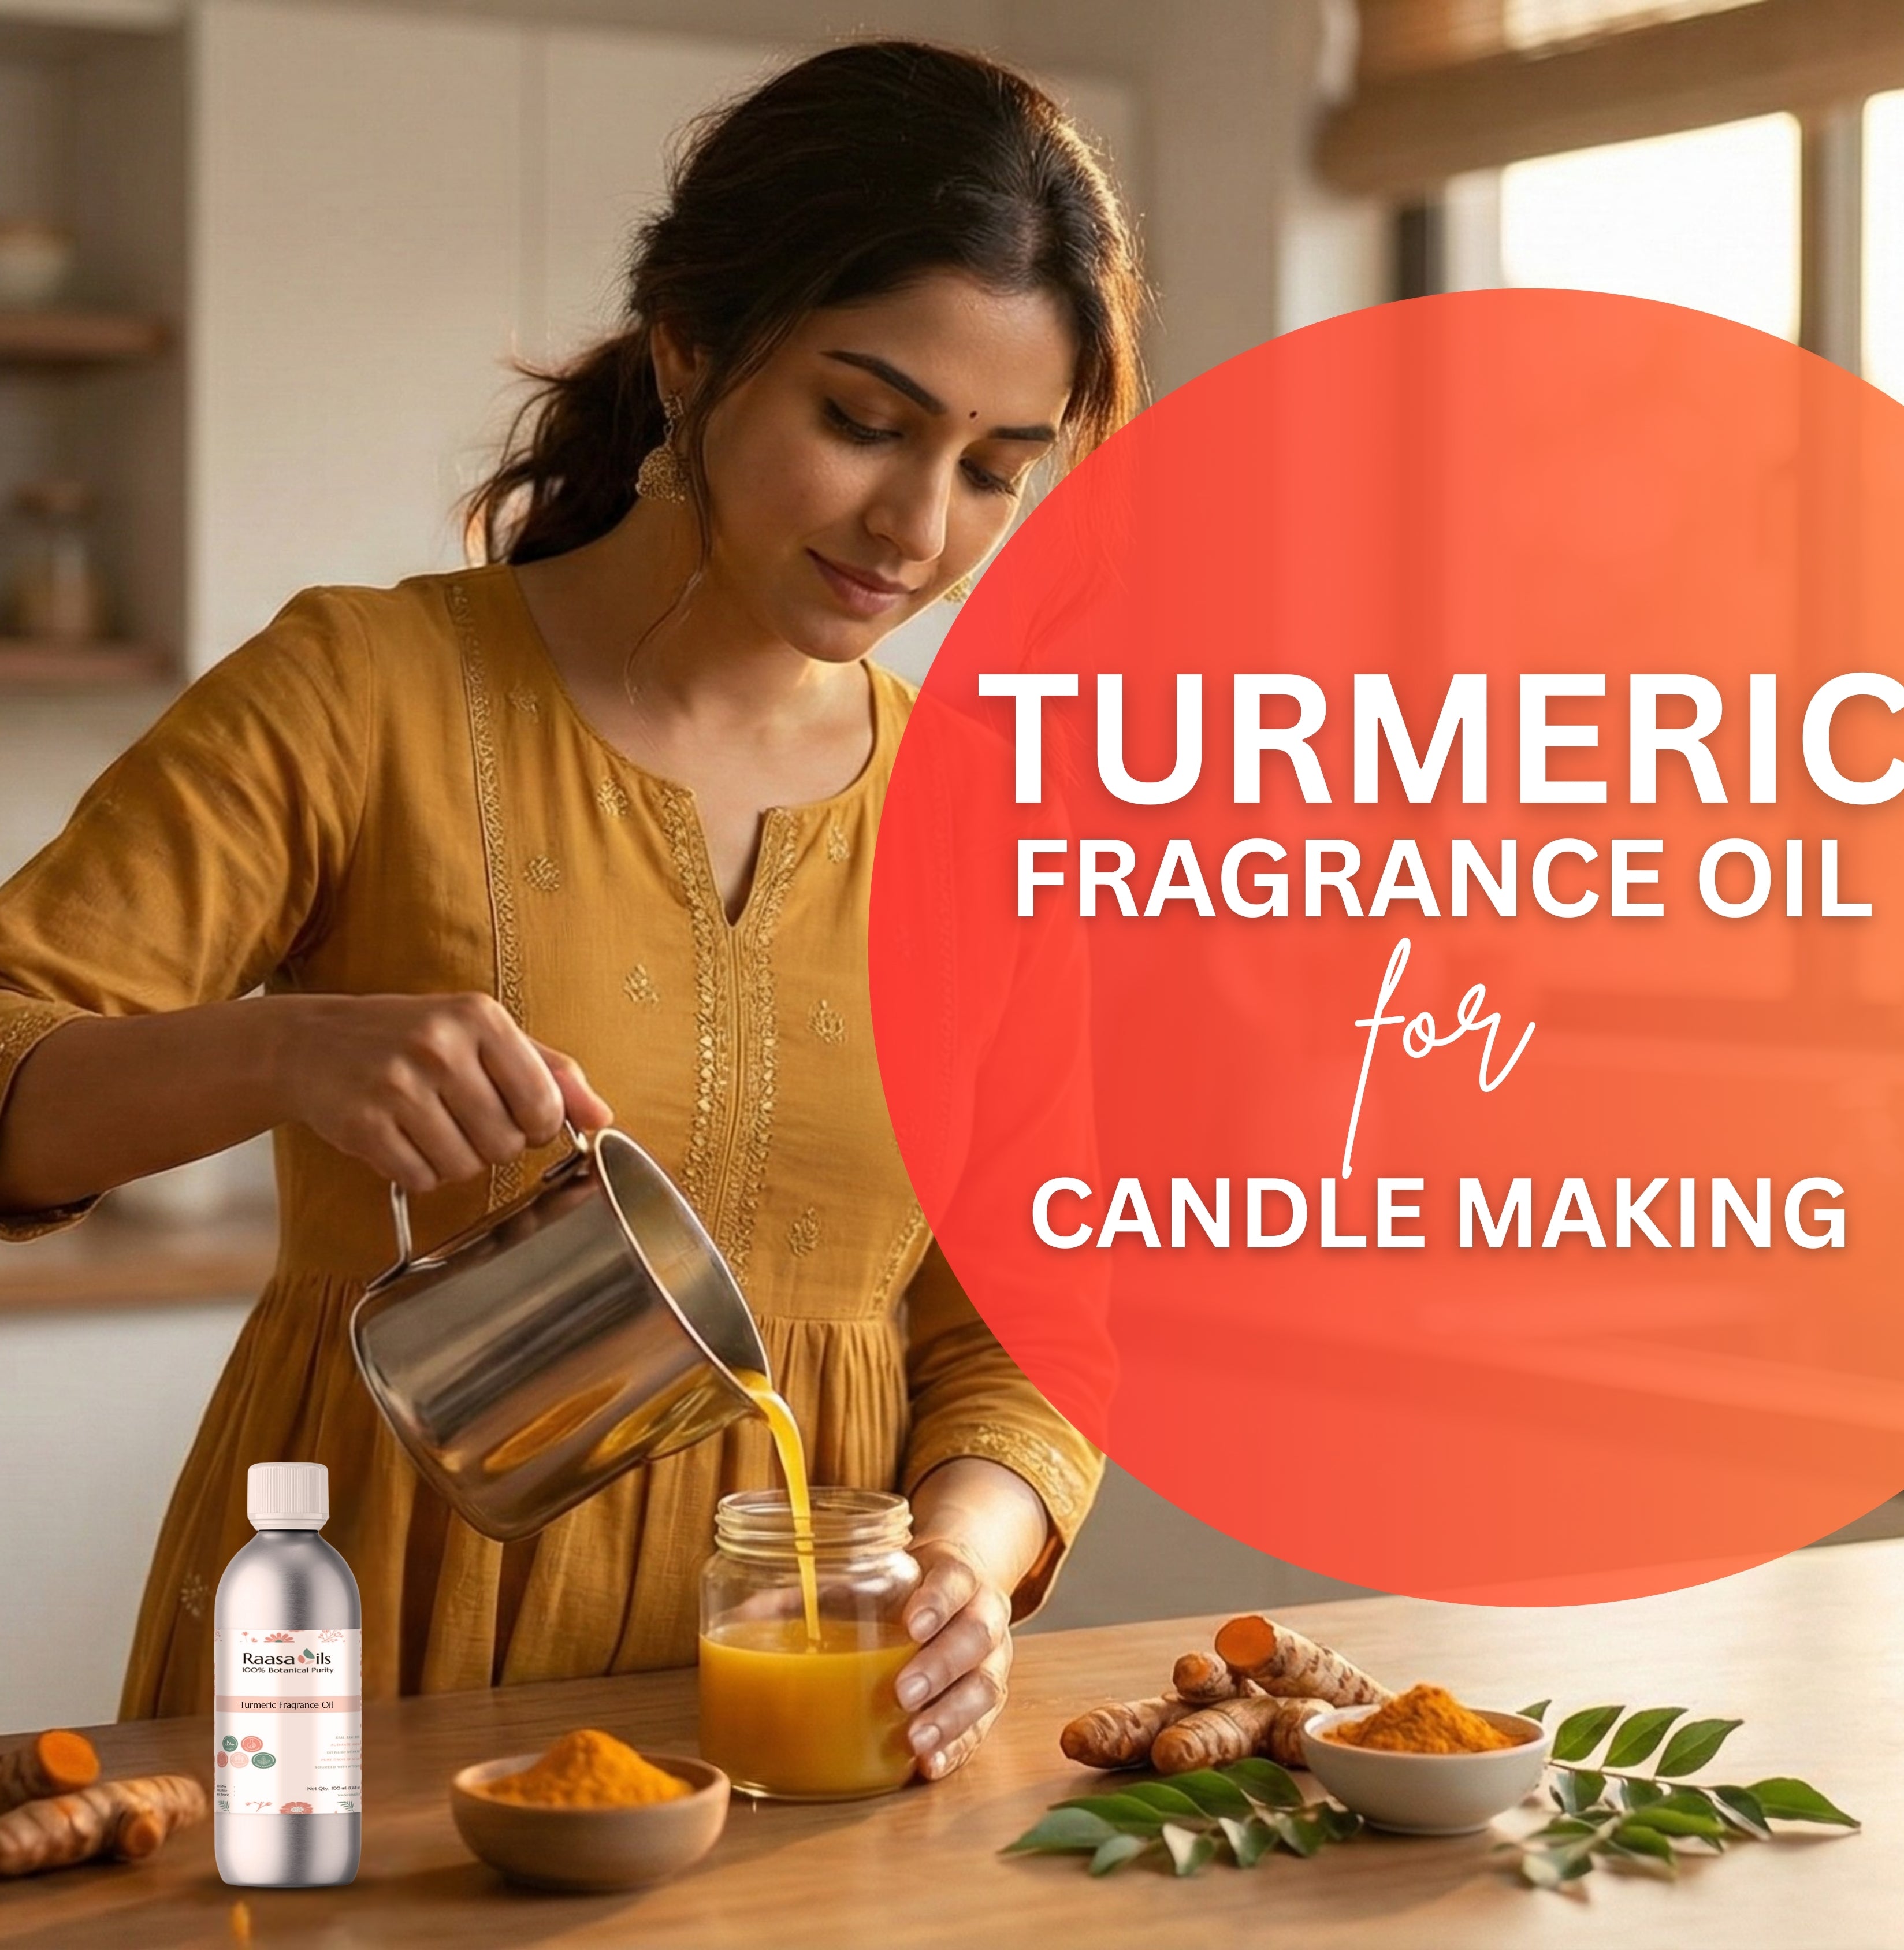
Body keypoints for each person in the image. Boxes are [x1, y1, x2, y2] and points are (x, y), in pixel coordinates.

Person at [0, 39, 1143, 1780]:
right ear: (692, 353)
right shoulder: (362, 690)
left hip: (802, 1724)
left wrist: (962, 1572)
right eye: (864, 421)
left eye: (996, 466)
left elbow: (1025, 1320)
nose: (919, 526)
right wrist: (277, 1054)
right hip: (371, 1685)